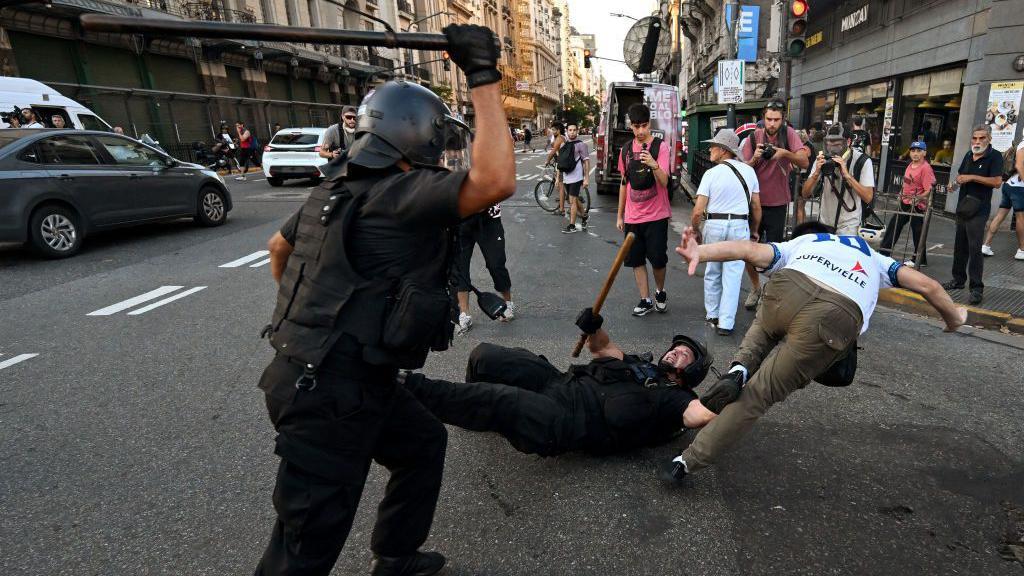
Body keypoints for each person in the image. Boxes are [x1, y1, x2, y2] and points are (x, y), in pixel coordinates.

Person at [256, 24, 515, 576]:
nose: (444, 156)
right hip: (328, 395)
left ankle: (396, 555)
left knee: (421, 444)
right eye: (438, 143)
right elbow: (494, 180)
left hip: (344, 377)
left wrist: (313, 316)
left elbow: (279, 248)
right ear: (414, 135)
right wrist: (482, 75)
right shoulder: (401, 192)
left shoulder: (341, 185)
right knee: (303, 548)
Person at [667, 221, 967, 483]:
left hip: (790, 285)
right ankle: (687, 461)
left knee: (767, 324)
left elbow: (747, 249)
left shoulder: (803, 242)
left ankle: (741, 367)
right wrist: (954, 319)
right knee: (759, 394)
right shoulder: (874, 258)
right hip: (836, 313)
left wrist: (700, 251)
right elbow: (928, 286)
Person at [400, 309, 716, 457]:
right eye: (676, 348)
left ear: (693, 372)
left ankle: (406, 387)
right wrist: (594, 328)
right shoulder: (642, 365)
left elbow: (700, 416)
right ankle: (472, 411)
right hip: (560, 382)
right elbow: (603, 348)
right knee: (485, 356)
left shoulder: (676, 399)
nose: (676, 352)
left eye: (685, 354)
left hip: (564, 422)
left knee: (500, 399)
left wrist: (735, 385)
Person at [739, 99, 810, 310]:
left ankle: (770, 291)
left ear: (783, 119)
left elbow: (805, 162)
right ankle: (755, 288)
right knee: (749, 249)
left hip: (778, 202)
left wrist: (784, 153)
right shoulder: (754, 136)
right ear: (763, 117)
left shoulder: (788, 134)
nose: (772, 124)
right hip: (755, 203)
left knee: (776, 252)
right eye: (768, 119)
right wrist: (755, 159)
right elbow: (743, 168)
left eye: (776, 120)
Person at [690, 129, 762, 336]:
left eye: (713, 146)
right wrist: (754, 230)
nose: (710, 149)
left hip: (715, 224)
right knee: (733, 274)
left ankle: (712, 313)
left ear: (723, 150)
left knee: (713, 270)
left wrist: (696, 231)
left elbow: (697, 211)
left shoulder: (711, 174)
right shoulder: (749, 172)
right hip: (740, 225)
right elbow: (756, 206)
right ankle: (726, 323)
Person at [616, 103, 672, 317]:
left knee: (658, 259)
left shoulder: (661, 147)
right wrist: (620, 214)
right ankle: (645, 299)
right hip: (633, 216)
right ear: (631, 126)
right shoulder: (626, 150)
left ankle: (659, 291)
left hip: (657, 215)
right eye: (636, 126)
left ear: (650, 124)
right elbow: (624, 183)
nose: (640, 131)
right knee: (636, 259)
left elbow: (665, 183)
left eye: (644, 126)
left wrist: (654, 164)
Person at [945, 124, 1005, 305]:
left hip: (979, 210)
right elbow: (961, 175)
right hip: (964, 207)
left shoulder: (994, 156)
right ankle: (958, 280)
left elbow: (996, 182)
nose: (977, 141)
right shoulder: (968, 155)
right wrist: (954, 184)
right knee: (959, 246)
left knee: (974, 249)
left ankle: (977, 288)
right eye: (975, 138)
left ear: (989, 139)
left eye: (982, 138)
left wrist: (972, 177)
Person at [453, 201, 517, 334]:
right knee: (459, 268)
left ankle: (508, 303)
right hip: (459, 221)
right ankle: (464, 313)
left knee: (496, 264)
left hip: (489, 219)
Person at [800, 124, 875, 236]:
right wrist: (816, 173)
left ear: (848, 142)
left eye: (837, 145)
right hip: (824, 223)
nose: (832, 149)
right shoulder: (822, 160)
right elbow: (805, 193)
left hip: (849, 226)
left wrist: (847, 175)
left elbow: (868, 197)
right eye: (829, 144)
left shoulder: (862, 161)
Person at [879, 140, 934, 266]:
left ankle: (919, 259)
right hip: (905, 201)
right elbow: (907, 182)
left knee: (917, 231)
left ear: (924, 153)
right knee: (895, 225)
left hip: (917, 205)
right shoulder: (910, 165)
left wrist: (918, 198)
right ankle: (883, 253)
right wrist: (901, 192)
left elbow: (929, 189)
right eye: (913, 151)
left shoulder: (926, 168)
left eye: (919, 151)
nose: (915, 153)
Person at [982, 138, 1024, 260]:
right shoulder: (1023, 144)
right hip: (1018, 187)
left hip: (1010, 185)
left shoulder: (1020, 144)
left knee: (1000, 215)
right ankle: (1022, 250)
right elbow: (1019, 166)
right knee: (1021, 218)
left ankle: (986, 245)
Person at [558, 122, 591, 233]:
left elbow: (586, 162)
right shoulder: (564, 145)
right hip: (567, 177)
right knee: (575, 200)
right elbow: (560, 163)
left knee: (572, 201)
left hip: (576, 177)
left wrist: (586, 178)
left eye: (574, 130)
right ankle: (584, 216)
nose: (572, 132)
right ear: (567, 131)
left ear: (577, 131)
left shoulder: (581, 145)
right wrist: (558, 178)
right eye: (570, 130)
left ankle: (572, 226)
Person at [543, 122, 567, 215]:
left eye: (553, 130)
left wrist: (547, 161)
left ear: (558, 130)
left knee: (561, 187)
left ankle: (561, 209)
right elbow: (555, 147)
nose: (552, 131)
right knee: (561, 185)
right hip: (562, 162)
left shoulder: (560, 138)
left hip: (562, 164)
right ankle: (566, 198)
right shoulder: (562, 137)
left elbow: (553, 151)